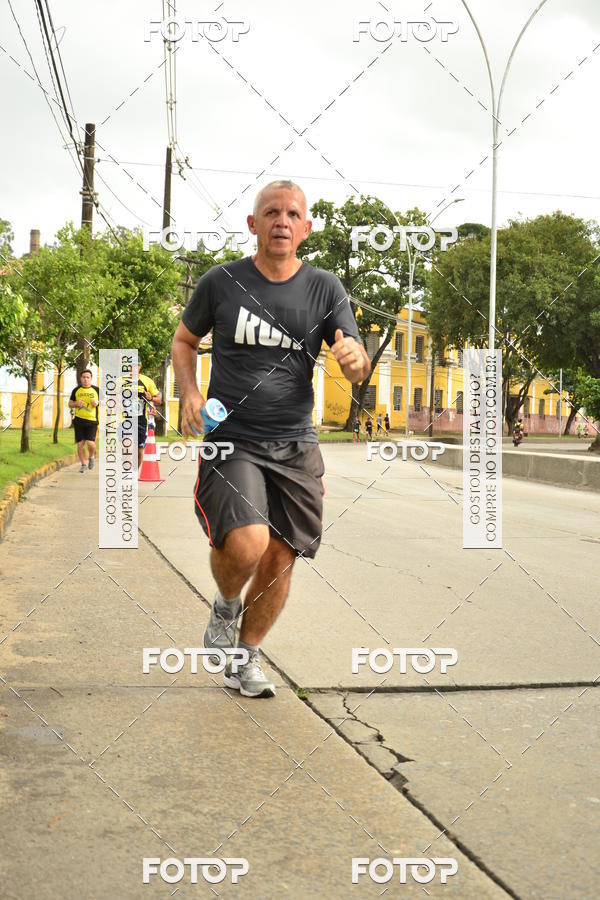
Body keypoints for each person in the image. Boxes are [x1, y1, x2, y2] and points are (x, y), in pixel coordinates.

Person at [172, 180, 370, 698]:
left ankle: (246, 657)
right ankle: (225, 603)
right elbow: (184, 340)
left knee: (281, 559)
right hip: (232, 438)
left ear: (305, 228)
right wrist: (189, 394)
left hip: (296, 444)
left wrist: (355, 360)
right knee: (249, 542)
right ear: (253, 224)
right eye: (271, 212)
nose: (281, 220)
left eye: (292, 214)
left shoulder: (325, 289)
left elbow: (353, 355)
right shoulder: (221, 282)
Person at [68, 369, 99, 473]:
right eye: (84, 377)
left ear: (91, 378)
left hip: (92, 421)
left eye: (88, 377)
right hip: (79, 421)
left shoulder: (96, 390)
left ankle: (91, 457)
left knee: (91, 443)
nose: (85, 379)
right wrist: (76, 403)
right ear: (81, 378)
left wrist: (97, 402)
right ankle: (83, 464)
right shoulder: (76, 390)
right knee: (80, 444)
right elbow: (70, 403)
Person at [136, 363, 162, 468]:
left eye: (135, 365)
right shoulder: (120, 381)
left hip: (141, 420)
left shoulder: (147, 381)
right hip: (124, 420)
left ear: (140, 366)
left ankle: (132, 473)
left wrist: (151, 398)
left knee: (139, 452)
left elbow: (159, 400)